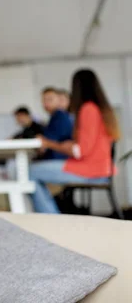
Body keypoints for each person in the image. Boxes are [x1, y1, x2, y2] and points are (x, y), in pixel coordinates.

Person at [30, 69, 121, 213]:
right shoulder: (101, 110)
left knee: (30, 172)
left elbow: (80, 151)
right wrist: (70, 146)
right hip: (101, 168)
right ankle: (51, 215)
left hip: (92, 170)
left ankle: (53, 219)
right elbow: (86, 146)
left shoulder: (88, 110)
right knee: (33, 171)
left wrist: (50, 144)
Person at [38, 87, 73, 160]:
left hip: (60, 159)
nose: (46, 103)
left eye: (50, 99)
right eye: (44, 100)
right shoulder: (54, 117)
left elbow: (46, 143)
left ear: (59, 100)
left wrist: (44, 141)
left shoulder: (60, 117)